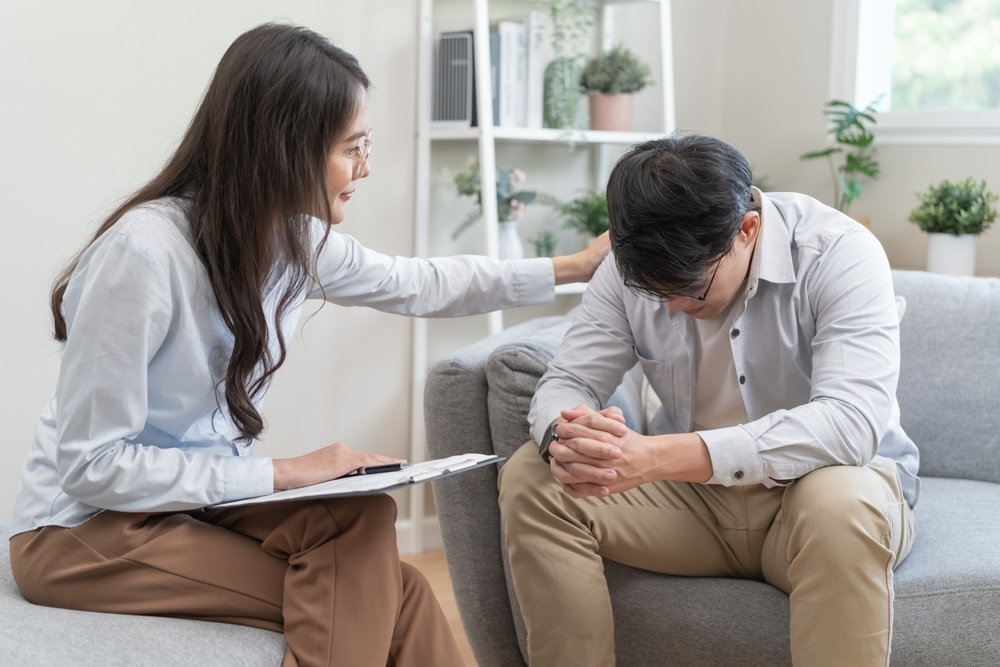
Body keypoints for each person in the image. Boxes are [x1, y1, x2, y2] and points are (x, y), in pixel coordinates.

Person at [8, 23, 609, 667]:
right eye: (352, 147)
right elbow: (92, 466)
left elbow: (420, 283)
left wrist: (573, 267)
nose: (366, 167)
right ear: (284, 147)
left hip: (194, 505)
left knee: (364, 522)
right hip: (81, 532)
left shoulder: (291, 243)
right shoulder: (143, 254)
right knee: (391, 592)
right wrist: (284, 473)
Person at [498, 133, 919, 666]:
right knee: (533, 478)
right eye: (654, 292)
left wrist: (654, 457)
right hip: (695, 506)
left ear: (747, 230)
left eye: (688, 289)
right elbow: (567, 379)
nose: (670, 307)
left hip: (817, 494)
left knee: (838, 503)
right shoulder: (632, 267)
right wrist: (571, 435)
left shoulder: (838, 252)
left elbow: (850, 424)